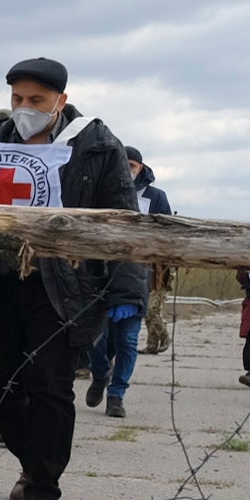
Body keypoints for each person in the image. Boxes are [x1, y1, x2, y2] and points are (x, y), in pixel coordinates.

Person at [0, 57, 138, 500]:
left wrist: (127, 289)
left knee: (48, 385)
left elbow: (124, 221)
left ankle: (42, 489)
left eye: (36, 101)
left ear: (60, 102)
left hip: (63, 286)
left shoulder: (96, 145)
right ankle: (30, 461)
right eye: (17, 99)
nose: (24, 108)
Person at [81, 147, 168, 418]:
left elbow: (164, 239)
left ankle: (117, 394)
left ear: (139, 167)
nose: (127, 169)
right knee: (95, 338)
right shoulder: (99, 192)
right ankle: (100, 374)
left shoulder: (155, 198)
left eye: (131, 164)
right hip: (98, 278)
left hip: (136, 279)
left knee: (128, 342)